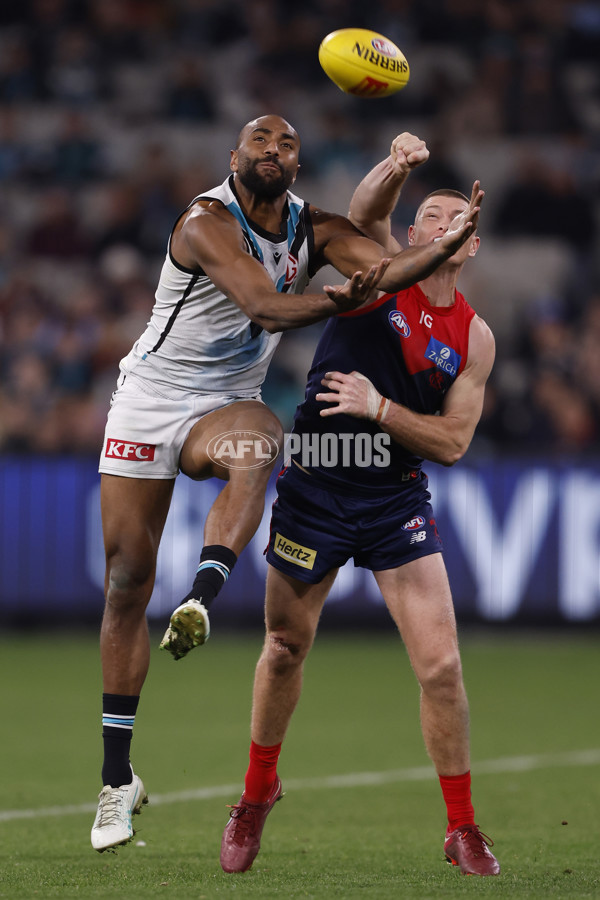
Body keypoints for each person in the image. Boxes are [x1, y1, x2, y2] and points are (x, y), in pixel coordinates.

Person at [90, 115, 481, 853]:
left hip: (273, 426)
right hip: (157, 400)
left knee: (260, 444)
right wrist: (346, 284)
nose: (274, 150)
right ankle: (121, 781)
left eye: (288, 143)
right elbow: (271, 303)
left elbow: (382, 263)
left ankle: (203, 593)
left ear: (299, 163)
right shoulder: (207, 221)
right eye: (261, 141)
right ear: (234, 157)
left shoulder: (329, 237)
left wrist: (439, 249)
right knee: (126, 582)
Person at [219, 141, 500, 877]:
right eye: (428, 216)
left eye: (457, 217)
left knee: (441, 668)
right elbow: (368, 209)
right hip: (315, 485)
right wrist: (398, 164)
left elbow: (453, 442)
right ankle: (255, 796)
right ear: (411, 237)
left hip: (393, 497)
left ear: (474, 241)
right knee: (284, 649)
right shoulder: (375, 271)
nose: (441, 223)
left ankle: (463, 827)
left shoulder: (474, 337)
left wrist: (379, 409)